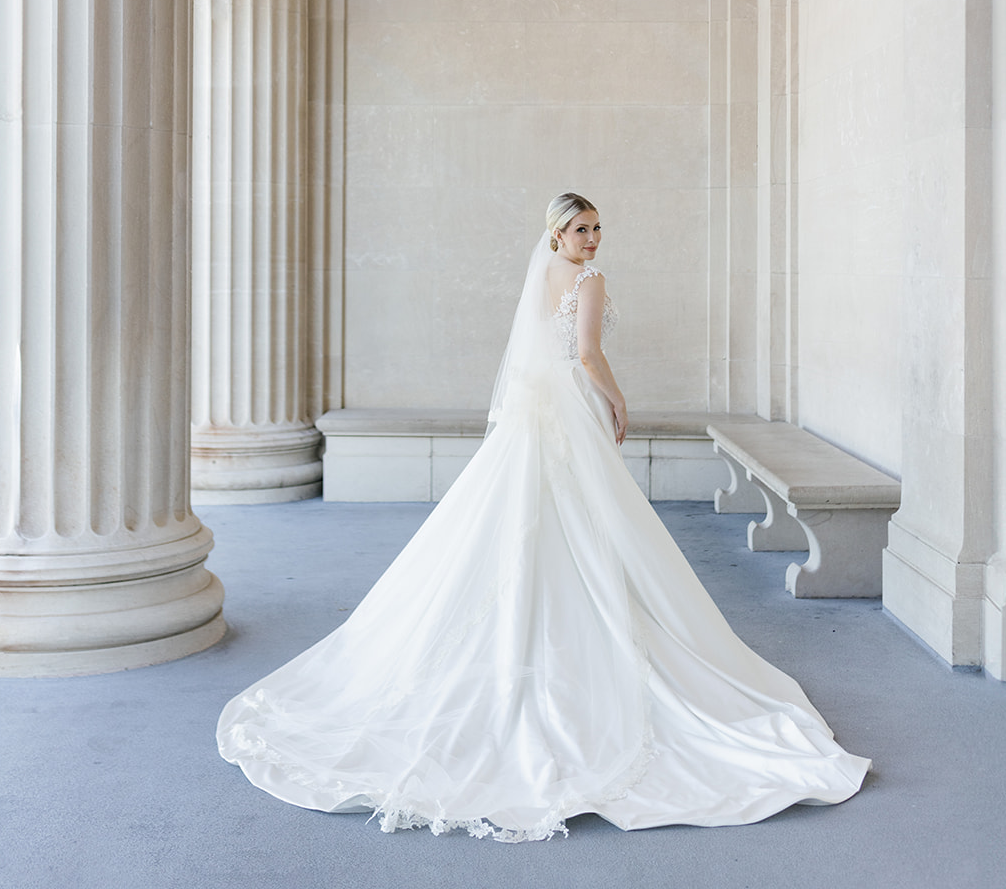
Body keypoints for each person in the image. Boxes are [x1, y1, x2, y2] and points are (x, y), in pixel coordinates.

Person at [217, 192, 870, 841]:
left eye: (596, 228)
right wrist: (618, 403)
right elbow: (585, 354)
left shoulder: (542, 275)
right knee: (581, 519)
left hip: (536, 411)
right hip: (571, 408)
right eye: (580, 229)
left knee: (532, 517)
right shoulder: (587, 279)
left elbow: (536, 349)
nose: (592, 238)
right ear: (555, 234)